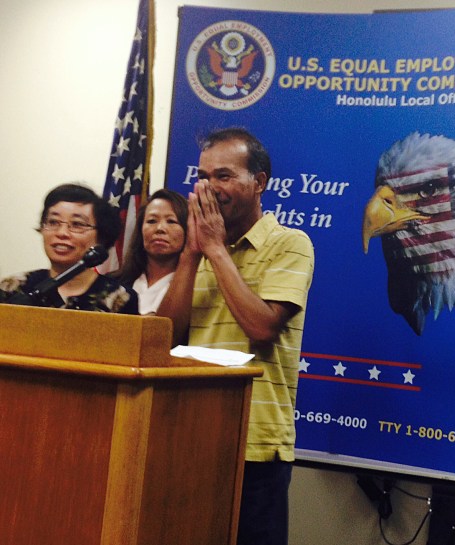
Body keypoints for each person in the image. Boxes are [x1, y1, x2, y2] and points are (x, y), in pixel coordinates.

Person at [157, 128, 314, 545]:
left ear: (259, 182)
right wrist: (191, 254)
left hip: (256, 443)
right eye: (204, 176)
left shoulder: (290, 243)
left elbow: (262, 328)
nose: (211, 187)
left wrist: (216, 250)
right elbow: (165, 338)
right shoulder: (200, 249)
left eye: (224, 176)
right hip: (194, 437)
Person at [0, 183, 139, 313]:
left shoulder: (120, 298)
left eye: (77, 224)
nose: (62, 233)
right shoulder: (12, 287)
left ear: (101, 237)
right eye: (53, 222)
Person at [119, 189, 187, 315]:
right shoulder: (114, 283)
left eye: (171, 221)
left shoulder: (195, 287)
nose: (160, 229)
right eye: (152, 221)